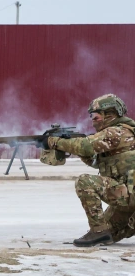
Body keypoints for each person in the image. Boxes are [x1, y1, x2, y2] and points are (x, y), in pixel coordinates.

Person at [40, 94, 135, 247]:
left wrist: (54, 141)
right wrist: (75, 149)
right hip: (129, 195)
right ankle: (102, 233)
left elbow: (86, 145)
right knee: (109, 234)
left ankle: (98, 232)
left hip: (129, 195)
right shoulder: (124, 132)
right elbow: (96, 161)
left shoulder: (115, 132)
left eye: (96, 116)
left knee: (85, 182)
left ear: (109, 114)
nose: (92, 120)